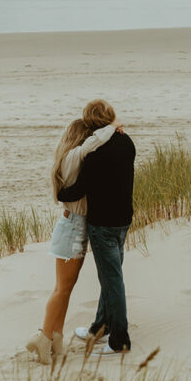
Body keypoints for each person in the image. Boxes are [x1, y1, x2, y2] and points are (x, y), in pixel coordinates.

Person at [25, 117, 121, 365]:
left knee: (66, 288)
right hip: (72, 228)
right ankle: (43, 336)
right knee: (61, 289)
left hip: (74, 226)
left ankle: (55, 338)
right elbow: (96, 141)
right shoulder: (75, 156)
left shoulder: (70, 157)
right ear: (81, 138)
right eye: (87, 136)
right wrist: (113, 125)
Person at [57, 99, 135, 357]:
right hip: (124, 219)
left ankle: (120, 340)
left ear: (90, 123)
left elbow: (80, 189)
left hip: (102, 224)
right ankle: (99, 328)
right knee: (111, 276)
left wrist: (60, 193)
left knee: (112, 279)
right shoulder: (127, 142)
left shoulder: (93, 154)